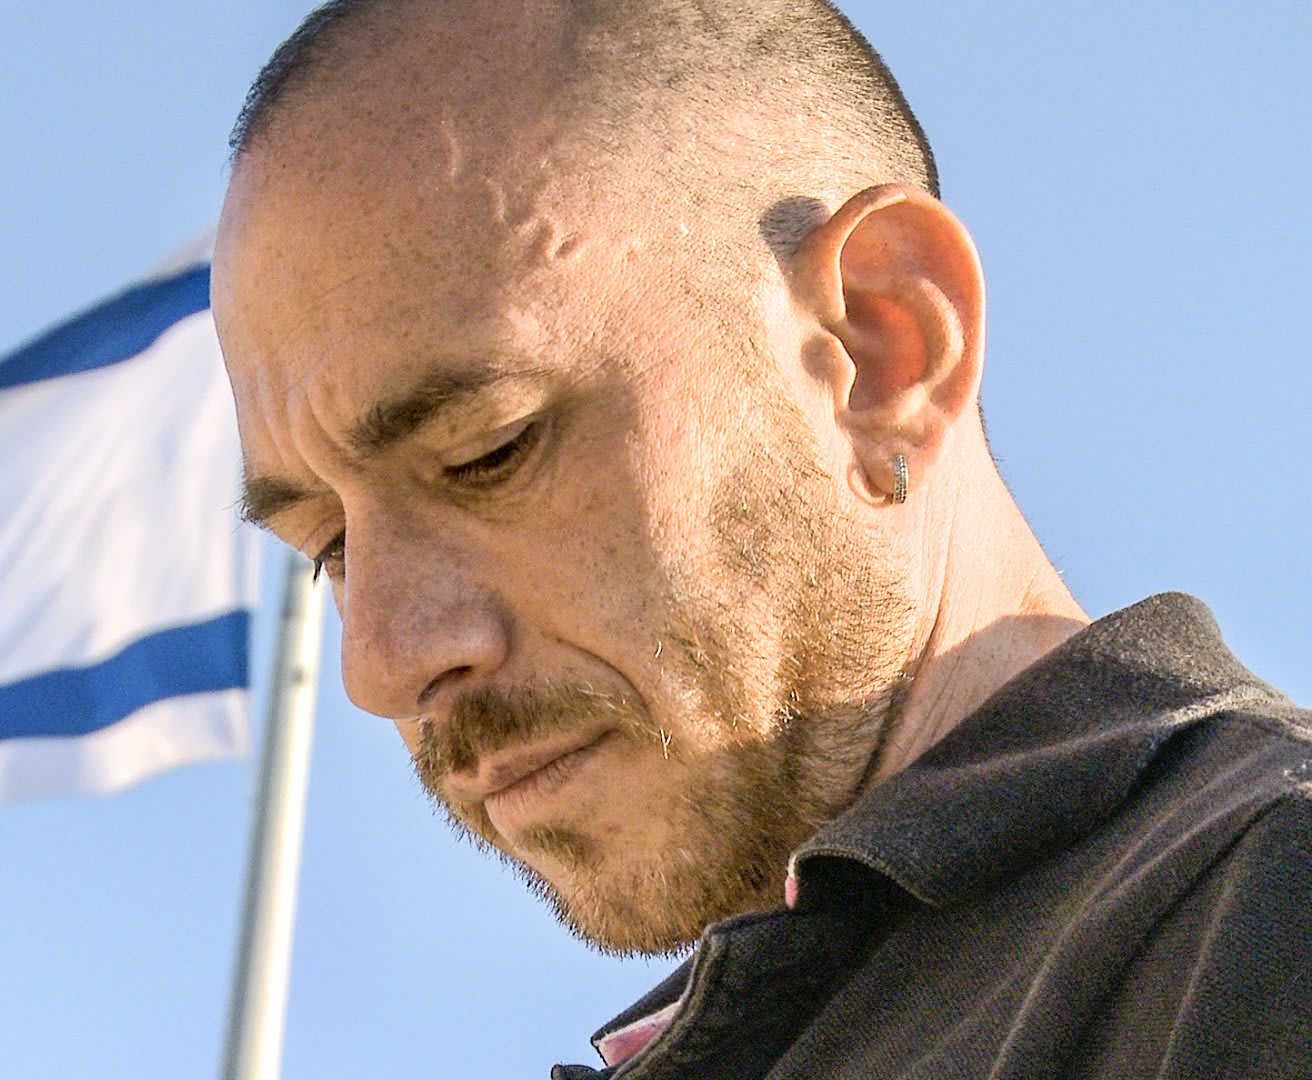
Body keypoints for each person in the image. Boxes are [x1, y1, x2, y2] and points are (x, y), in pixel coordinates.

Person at [211, 1, 1312, 1076]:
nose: (380, 667)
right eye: (331, 548)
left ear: (879, 356)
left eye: (487, 452)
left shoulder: (1269, 911)